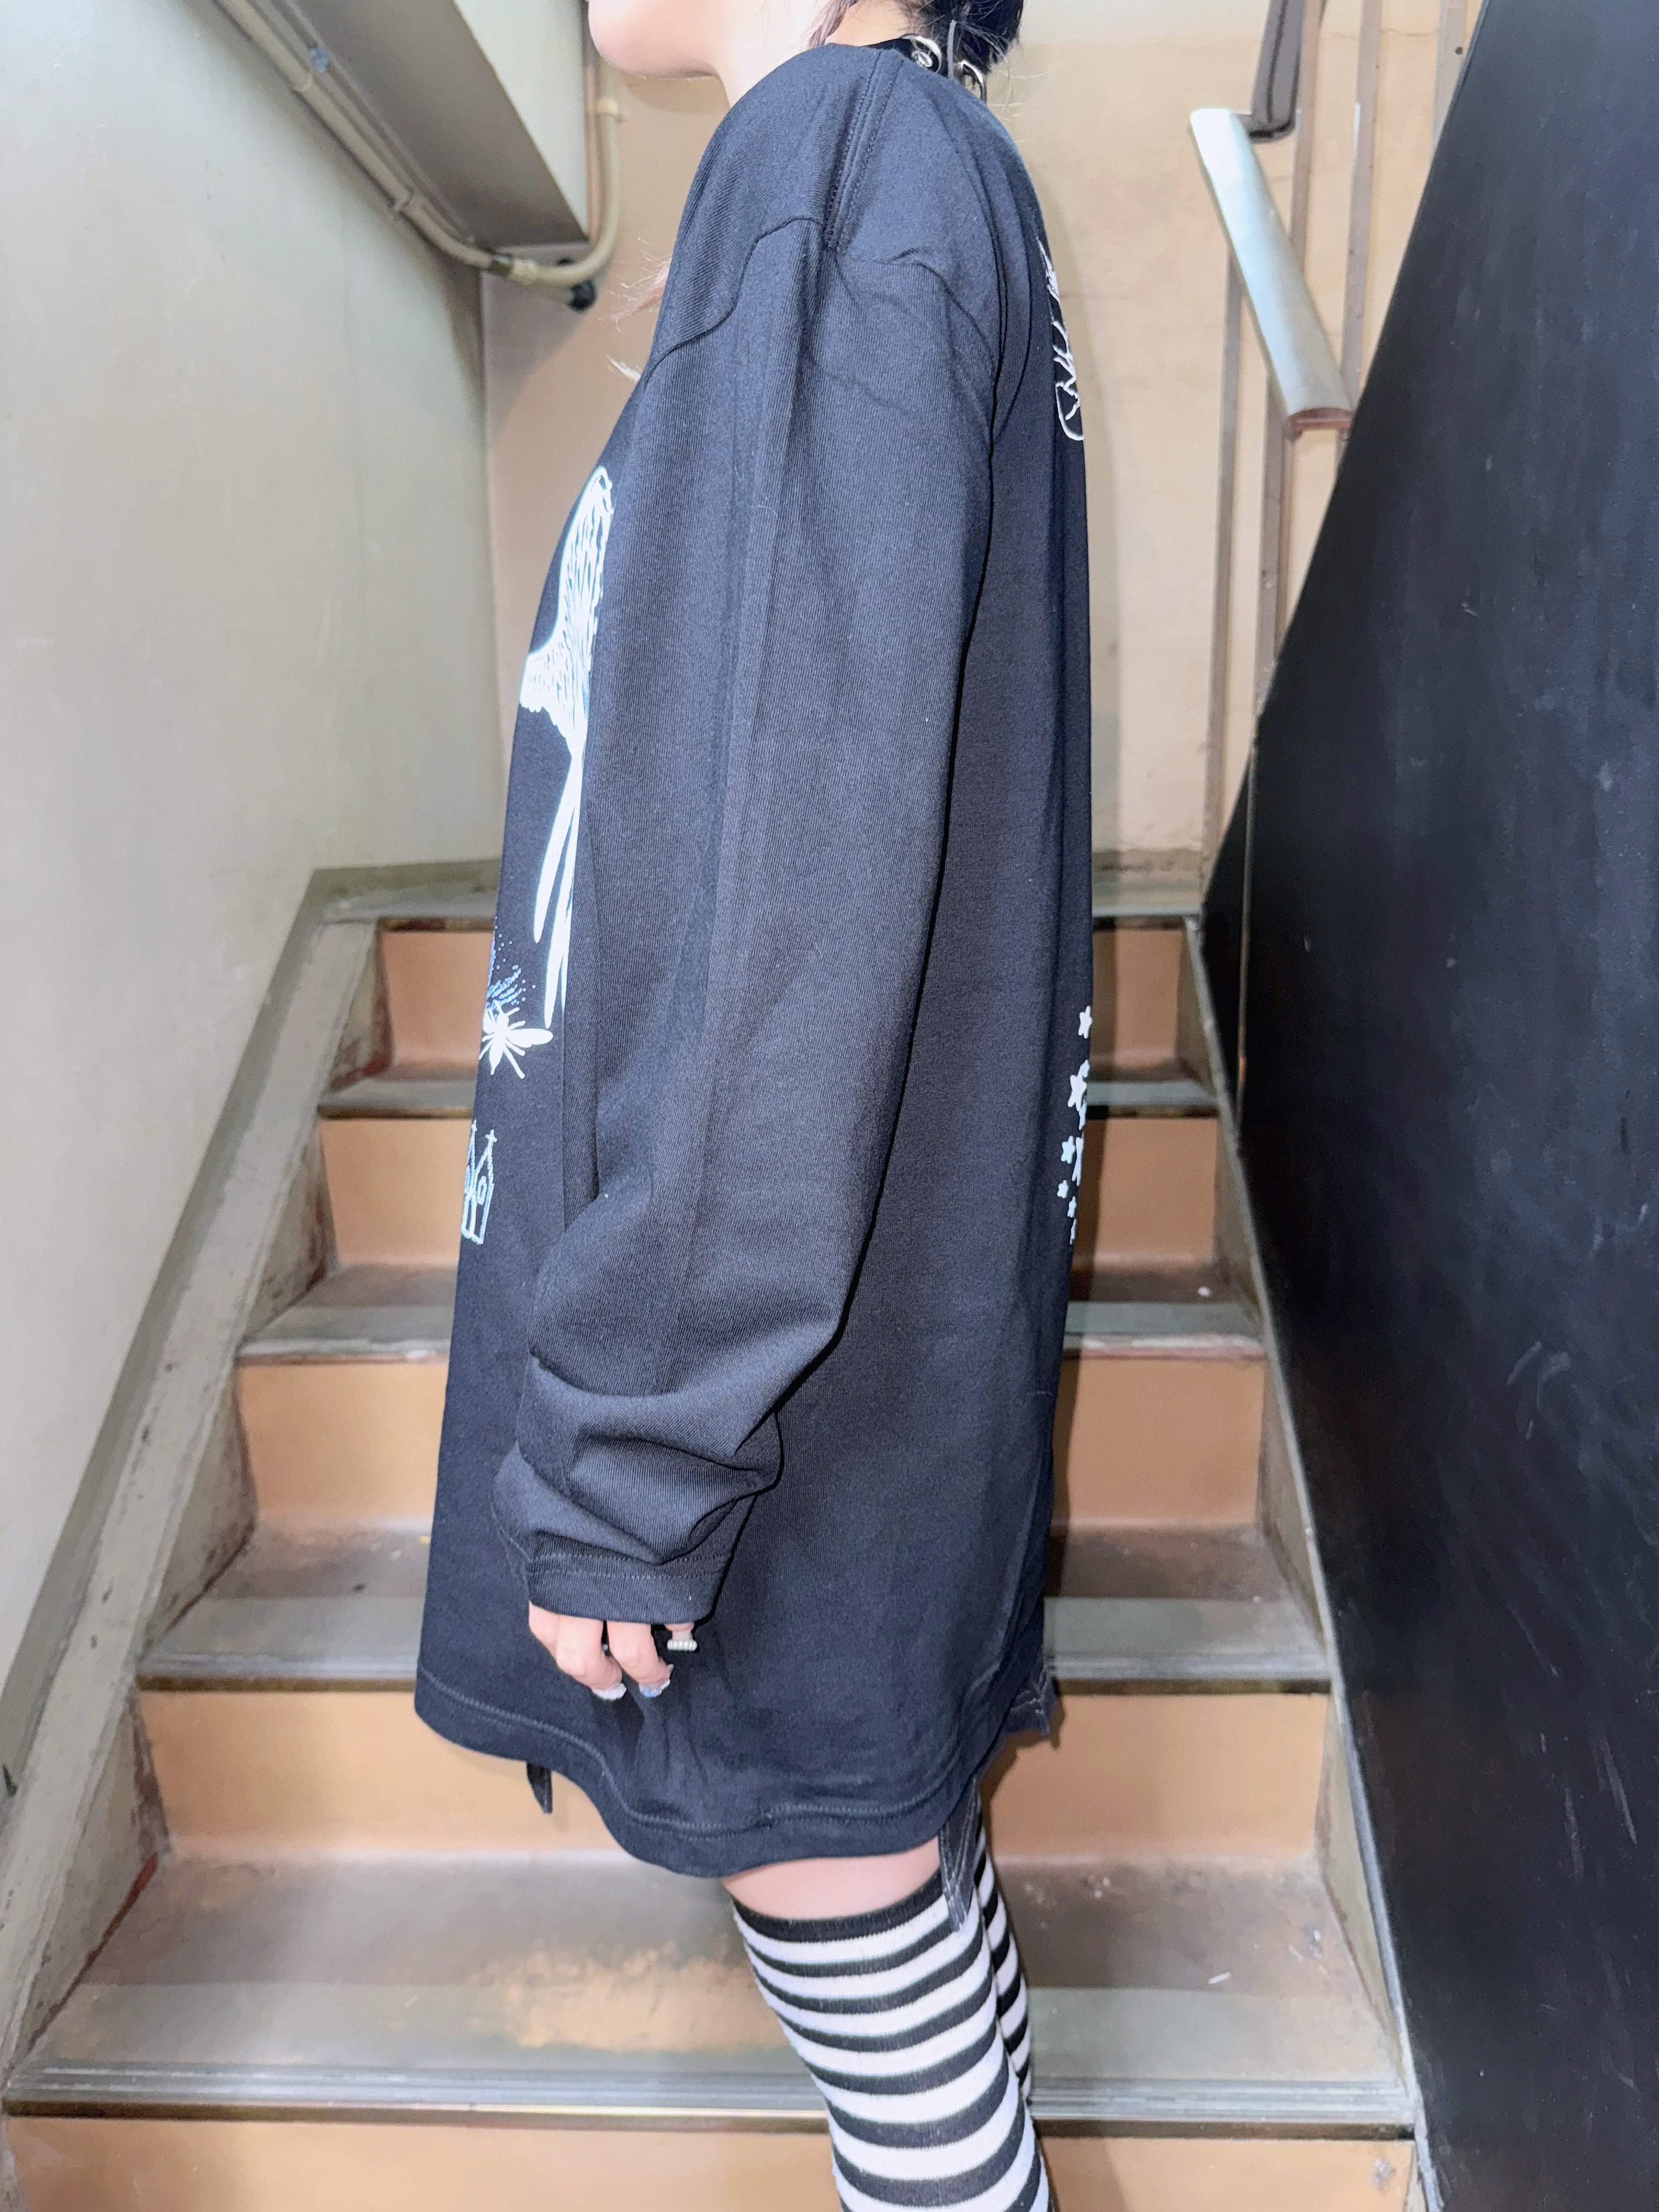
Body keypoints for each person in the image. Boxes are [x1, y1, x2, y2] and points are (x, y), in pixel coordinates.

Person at [415, 2, 1091, 2202]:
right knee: (903, 1943)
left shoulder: (836, 160)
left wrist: (635, 1446)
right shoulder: (913, 169)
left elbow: (788, 872)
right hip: (831, 1359)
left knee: (890, 2041)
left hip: (780, 1402)